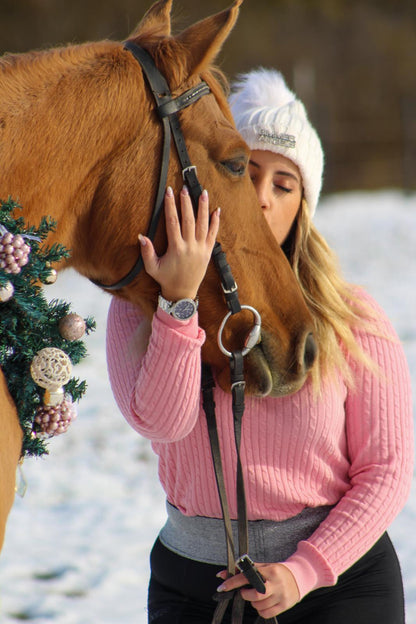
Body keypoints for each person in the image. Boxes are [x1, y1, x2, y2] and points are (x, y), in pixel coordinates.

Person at [106, 68, 413, 623]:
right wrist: (177, 302)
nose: (263, 198)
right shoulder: (140, 303)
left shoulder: (351, 316)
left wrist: (305, 570)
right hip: (192, 587)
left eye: (284, 184)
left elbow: (387, 469)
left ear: (304, 205)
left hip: (337, 586)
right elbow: (162, 422)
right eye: (245, 173)